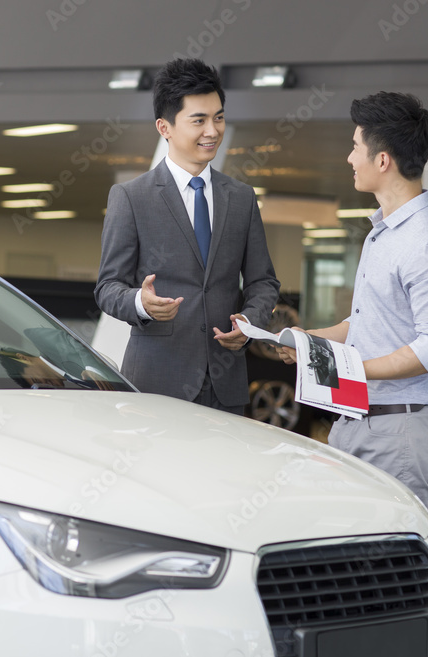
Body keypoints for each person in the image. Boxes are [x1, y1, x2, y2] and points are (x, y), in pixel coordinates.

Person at [277, 91, 428, 507]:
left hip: (396, 430)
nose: (349, 158)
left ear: (382, 160)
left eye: (355, 147)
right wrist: (310, 342)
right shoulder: (383, 232)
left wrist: (352, 371)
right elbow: (365, 325)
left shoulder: (425, 242)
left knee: (386, 565)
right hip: (358, 422)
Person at [95, 58, 279, 414]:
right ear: (164, 127)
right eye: (199, 120)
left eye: (219, 117)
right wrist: (140, 304)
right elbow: (107, 287)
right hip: (156, 384)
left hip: (227, 386)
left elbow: (263, 282)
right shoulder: (131, 197)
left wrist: (251, 320)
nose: (212, 131)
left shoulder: (240, 198)